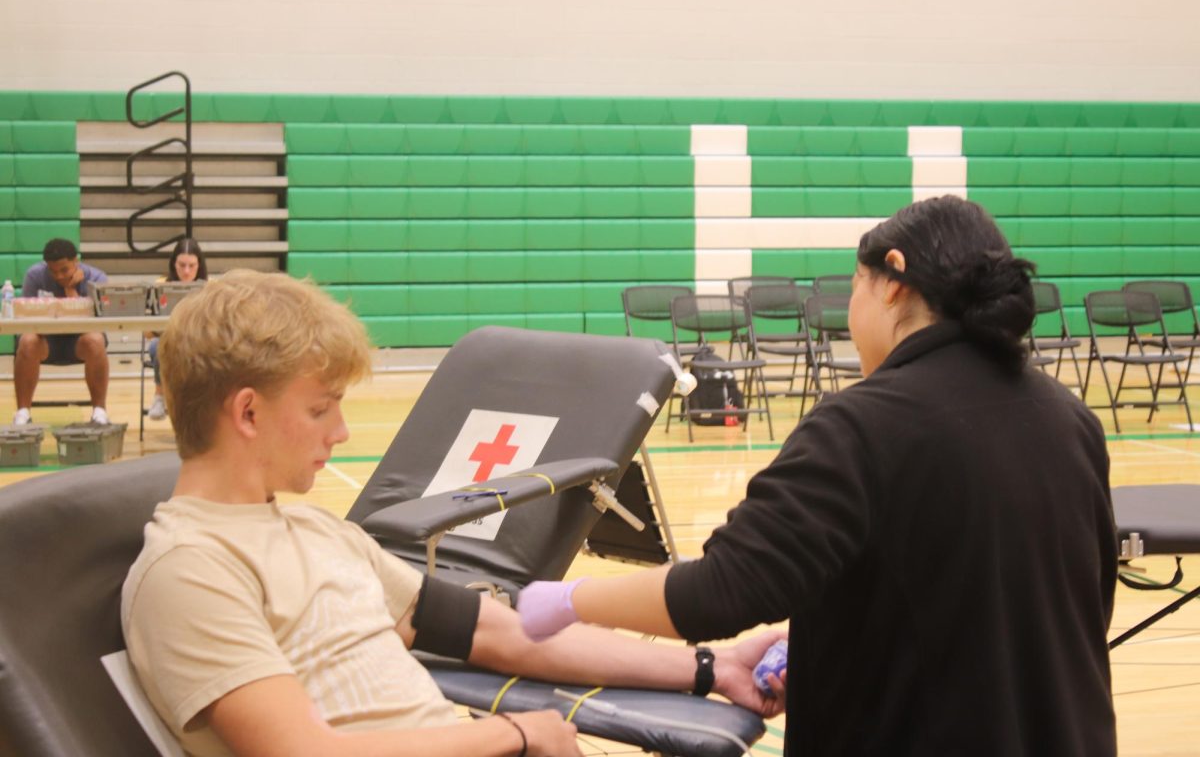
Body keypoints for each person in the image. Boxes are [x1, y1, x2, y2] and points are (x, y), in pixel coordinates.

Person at [520, 195, 1119, 756]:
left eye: (855, 286)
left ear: (890, 282)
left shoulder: (862, 425)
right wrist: (837, 645)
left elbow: (719, 592)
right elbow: (1054, 609)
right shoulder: (1072, 419)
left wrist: (569, 599)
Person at [121, 269, 785, 757]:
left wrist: (708, 665)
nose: (342, 432)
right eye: (321, 408)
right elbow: (303, 753)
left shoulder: (319, 533)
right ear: (247, 412)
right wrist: (515, 732)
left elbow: (504, 632)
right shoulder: (190, 569)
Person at [12, 238, 110, 425]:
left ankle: (99, 411)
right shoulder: (34, 276)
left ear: (76, 261)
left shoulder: (97, 279)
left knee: (95, 340)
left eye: (64, 270)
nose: (58, 276)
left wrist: (71, 290)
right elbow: (25, 320)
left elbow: (98, 322)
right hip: (46, 341)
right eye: (53, 271)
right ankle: (23, 412)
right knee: (27, 341)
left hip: (80, 342)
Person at [146, 238, 208, 421]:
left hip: (198, 343)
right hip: (168, 341)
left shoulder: (210, 287)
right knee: (156, 346)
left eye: (192, 265)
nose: (187, 271)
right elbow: (146, 331)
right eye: (182, 265)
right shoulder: (159, 285)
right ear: (174, 264)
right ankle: (159, 396)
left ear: (199, 265)